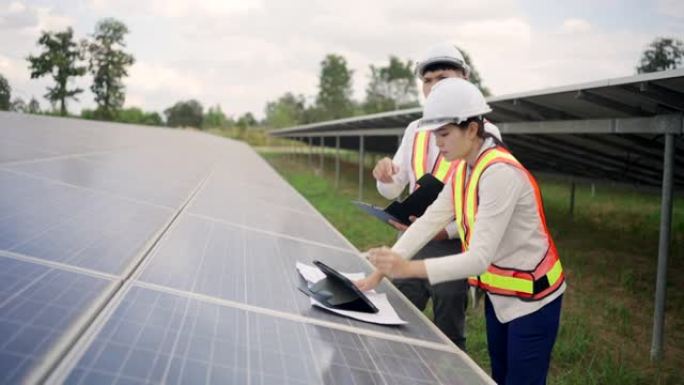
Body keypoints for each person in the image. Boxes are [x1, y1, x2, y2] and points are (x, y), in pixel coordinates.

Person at [359, 78, 566, 385]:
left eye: (444, 134)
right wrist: (380, 271)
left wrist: (407, 267)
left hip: (534, 300)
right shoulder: (464, 167)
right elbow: (429, 221)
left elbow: (479, 258)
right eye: (434, 134)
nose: (437, 142)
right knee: (500, 376)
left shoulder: (499, 173)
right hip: (502, 295)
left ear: (471, 129)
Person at [371, 42, 501, 350]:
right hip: (416, 239)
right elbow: (394, 187)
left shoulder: (483, 130)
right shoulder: (414, 129)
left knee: (448, 331)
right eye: (427, 80)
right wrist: (384, 176)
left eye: (442, 77)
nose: (433, 86)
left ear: (463, 79)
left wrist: (448, 231)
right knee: (397, 315)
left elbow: (483, 204)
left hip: (455, 246)